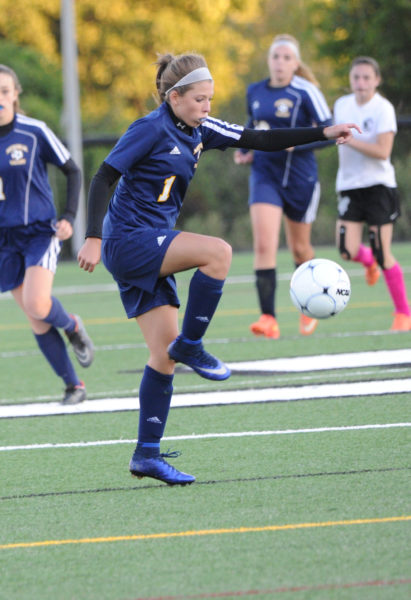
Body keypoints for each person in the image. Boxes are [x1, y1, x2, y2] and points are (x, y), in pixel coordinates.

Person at [77, 52, 358, 486]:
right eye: (199, 99)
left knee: (161, 356)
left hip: (145, 244)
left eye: (210, 98)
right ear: (174, 98)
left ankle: (146, 455)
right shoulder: (149, 128)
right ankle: (193, 345)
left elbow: (258, 139)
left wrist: (325, 130)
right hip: (127, 241)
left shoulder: (202, 129)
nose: (208, 106)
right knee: (218, 253)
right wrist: (93, 236)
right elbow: (103, 177)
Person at [0, 65, 94, 404]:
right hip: (3, 241)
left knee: (38, 303)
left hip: (40, 231)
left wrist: (69, 216)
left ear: (15, 94)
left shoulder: (33, 131)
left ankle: (71, 325)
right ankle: (74, 385)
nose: (0, 98)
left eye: (5, 91)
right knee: (36, 320)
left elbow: (71, 168)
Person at [234, 34, 334, 339]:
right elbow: (254, 129)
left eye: (287, 57)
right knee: (264, 245)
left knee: (300, 249)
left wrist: (296, 147)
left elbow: (330, 132)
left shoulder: (307, 91)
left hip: (301, 180)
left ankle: (311, 306)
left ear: (296, 63)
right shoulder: (255, 91)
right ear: (269, 60)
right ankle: (268, 318)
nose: (280, 62)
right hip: (265, 177)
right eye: (276, 56)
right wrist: (245, 150)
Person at [334, 56, 411, 331]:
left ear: (376, 80)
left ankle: (403, 313)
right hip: (349, 186)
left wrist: (352, 140)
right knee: (346, 250)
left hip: (379, 186)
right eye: (356, 77)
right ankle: (369, 264)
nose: (361, 83)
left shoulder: (383, 109)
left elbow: (382, 151)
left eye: (367, 78)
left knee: (382, 250)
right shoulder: (341, 106)